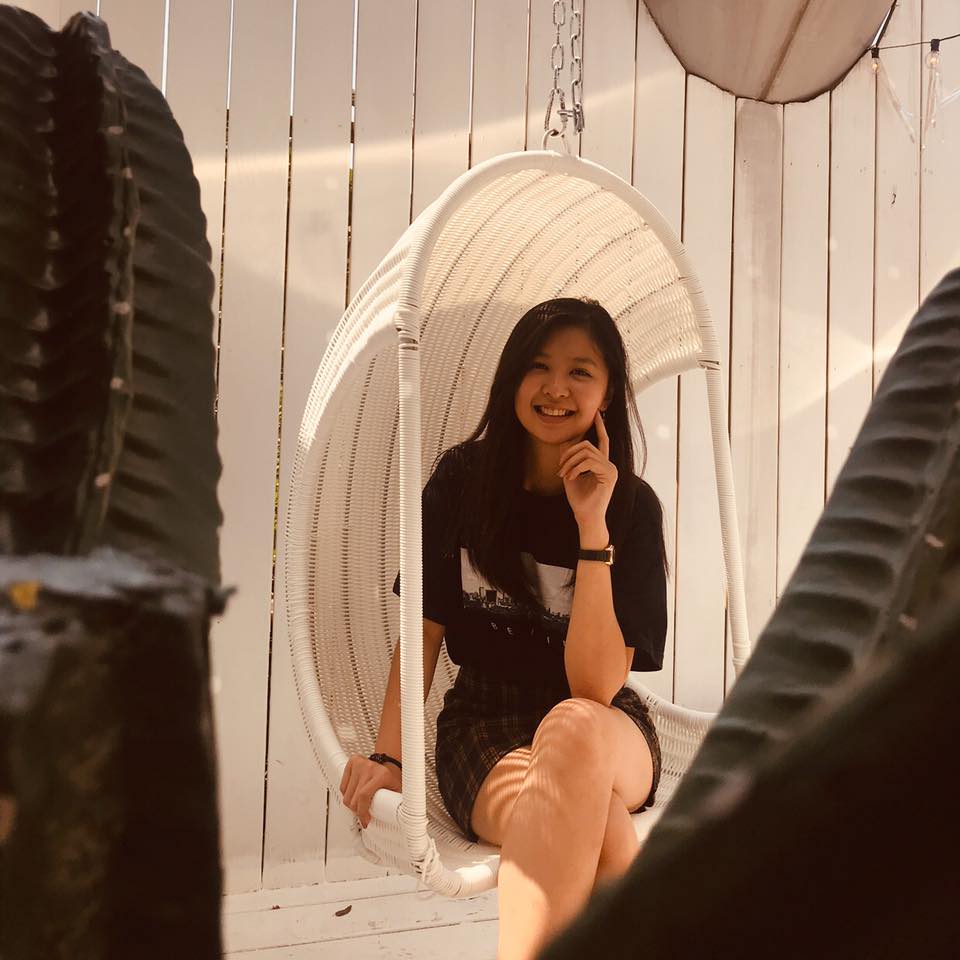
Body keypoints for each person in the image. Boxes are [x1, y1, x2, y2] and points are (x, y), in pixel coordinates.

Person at [339, 297, 667, 960]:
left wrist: (593, 528)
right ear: (512, 378)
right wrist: (389, 757)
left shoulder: (631, 507)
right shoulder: (461, 483)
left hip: (605, 726)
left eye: (580, 372)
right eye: (538, 366)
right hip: (486, 730)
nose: (555, 387)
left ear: (607, 393)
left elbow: (596, 688)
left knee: (575, 724)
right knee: (599, 822)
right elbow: (424, 628)